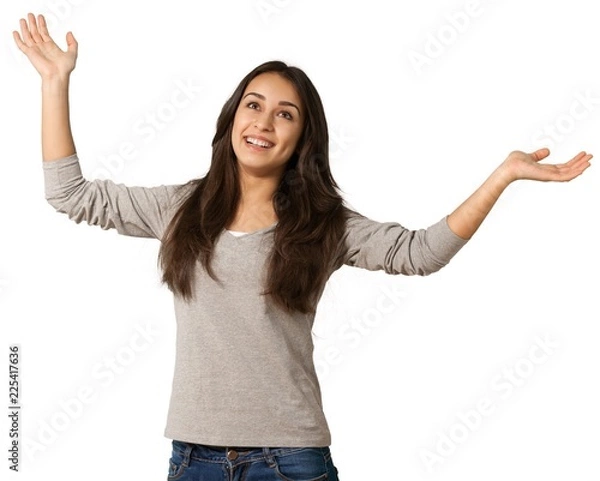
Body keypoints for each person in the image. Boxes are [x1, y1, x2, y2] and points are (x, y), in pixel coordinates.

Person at [13, 12, 592, 481]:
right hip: (192, 460)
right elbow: (70, 195)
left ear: (301, 138)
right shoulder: (181, 209)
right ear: (233, 118)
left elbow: (420, 252)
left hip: (289, 463)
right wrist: (54, 84)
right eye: (254, 104)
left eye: (284, 114)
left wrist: (502, 176)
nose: (264, 121)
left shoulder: (323, 225)